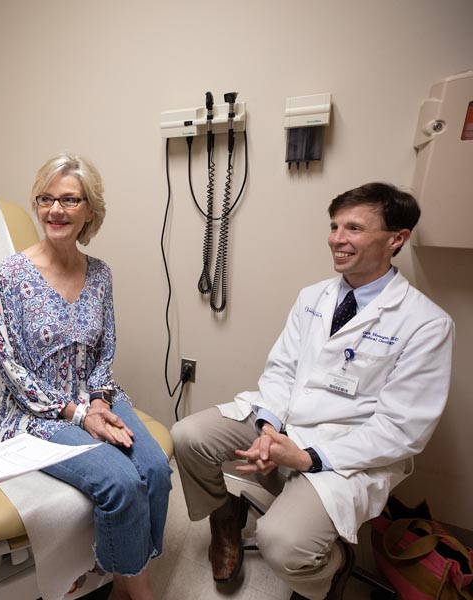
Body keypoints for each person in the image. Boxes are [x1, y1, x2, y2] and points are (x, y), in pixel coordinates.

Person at [171, 182, 454, 600]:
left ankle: (329, 574)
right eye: (335, 226)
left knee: (282, 546)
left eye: (354, 228)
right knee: (188, 436)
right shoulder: (312, 297)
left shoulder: (426, 324)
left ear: (397, 239)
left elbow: (402, 429)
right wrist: (268, 428)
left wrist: (307, 457)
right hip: (284, 420)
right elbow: (282, 369)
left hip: (347, 450)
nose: (337, 239)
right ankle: (225, 518)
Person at [0, 153, 172, 600]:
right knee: (121, 481)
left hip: (94, 397)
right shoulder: (13, 274)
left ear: (90, 209)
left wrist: (98, 402)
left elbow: (105, 349)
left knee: (155, 469)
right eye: (46, 199)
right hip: (40, 412)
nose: (56, 210)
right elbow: (8, 363)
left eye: (70, 200)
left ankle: (124, 583)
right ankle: (138, 590)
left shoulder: (100, 274)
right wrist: (76, 414)